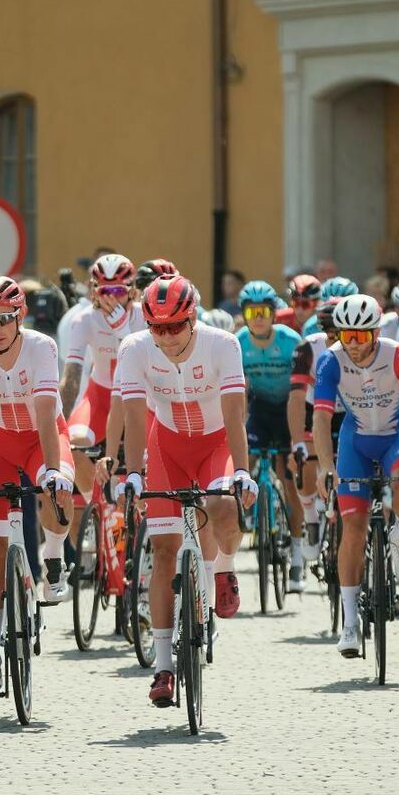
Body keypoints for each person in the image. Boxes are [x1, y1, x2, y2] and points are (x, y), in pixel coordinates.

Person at [116, 275, 256, 706]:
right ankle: (162, 667)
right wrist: (134, 472)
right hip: (167, 446)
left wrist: (243, 472)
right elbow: (136, 416)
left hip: (216, 444)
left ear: (192, 319)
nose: (167, 336)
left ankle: (225, 566)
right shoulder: (135, 349)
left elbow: (234, 413)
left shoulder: (222, 344)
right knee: (162, 552)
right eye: (157, 328)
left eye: (176, 326)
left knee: (221, 507)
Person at [0, 276, 76, 694]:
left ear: (20, 316)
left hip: (39, 437)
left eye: (3, 320)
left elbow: (47, 415)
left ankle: (52, 556)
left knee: (59, 488)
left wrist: (51, 471)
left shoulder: (41, 347)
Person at [313, 294, 399, 660]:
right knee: (353, 528)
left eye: (360, 336)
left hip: (397, 437)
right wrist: (326, 466)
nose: (352, 345)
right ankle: (350, 621)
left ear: (375, 333)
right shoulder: (331, 360)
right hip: (356, 442)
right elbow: (323, 419)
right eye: (345, 336)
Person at [61, 255, 144, 558]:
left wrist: (123, 330)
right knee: (76, 445)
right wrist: (57, 423)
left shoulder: (143, 317)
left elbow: (142, 362)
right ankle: (99, 512)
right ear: (93, 291)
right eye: (104, 292)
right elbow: (71, 377)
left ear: (133, 291)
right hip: (99, 396)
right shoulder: (84, 320)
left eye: (118, 291)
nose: (111, 300)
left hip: (136, 398)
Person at [237, 280, 307, 591]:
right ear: (245, 315)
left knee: (288, 475)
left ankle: (296, 554)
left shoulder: (292, 341)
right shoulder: (237, 342)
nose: (259, 318)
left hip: (287, 409)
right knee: (243, 459)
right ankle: (247, 512)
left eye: (264, 311)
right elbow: (236, 389)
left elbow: (304, 385)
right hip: (259, 408)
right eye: (252, 312)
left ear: (274, 313)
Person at [288, 299, 343, 564]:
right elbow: (296, 398)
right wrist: (297, 442)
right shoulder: (308, 347)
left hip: (348, 411)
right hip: (313, 408)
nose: (335, 340)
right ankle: (311, 520)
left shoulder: (359, 347)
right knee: (306, 463)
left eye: (340, 333)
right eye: (330, 333)